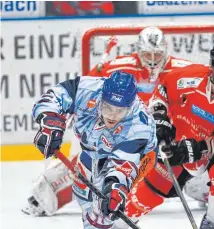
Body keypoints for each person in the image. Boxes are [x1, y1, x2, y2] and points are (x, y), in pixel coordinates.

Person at [22, 26, 191, 218]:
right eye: (147, 54)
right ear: (138, 50)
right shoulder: (121, 65)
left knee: (189, 153)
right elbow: (88, 84)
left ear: (166, 50)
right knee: (97, 160)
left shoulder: (182, 69)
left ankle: (201, 188)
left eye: (157, 54)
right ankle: (46, 195)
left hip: (165, 131)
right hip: (126, 129)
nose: (152, 60)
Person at [123, 38, 214, 229]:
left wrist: (199, 148)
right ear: (212, 65)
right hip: (182, 139)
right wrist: (160, 119)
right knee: (147, 193)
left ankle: (212, 223)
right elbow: (162, 90)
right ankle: (117, 224)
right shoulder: (189, 76)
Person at [32, 71, 157, 229]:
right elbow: (54, 96)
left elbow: (122, 166)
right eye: (107, 107)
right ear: (101, 97)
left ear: (130, 106)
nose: (111, 115)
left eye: (119, 111)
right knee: (84, 190)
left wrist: (116, 190)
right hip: (93, 148)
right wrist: (50, 121)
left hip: (138, 157)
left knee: (105, 198)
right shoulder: (87, 89)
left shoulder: (139, 126)